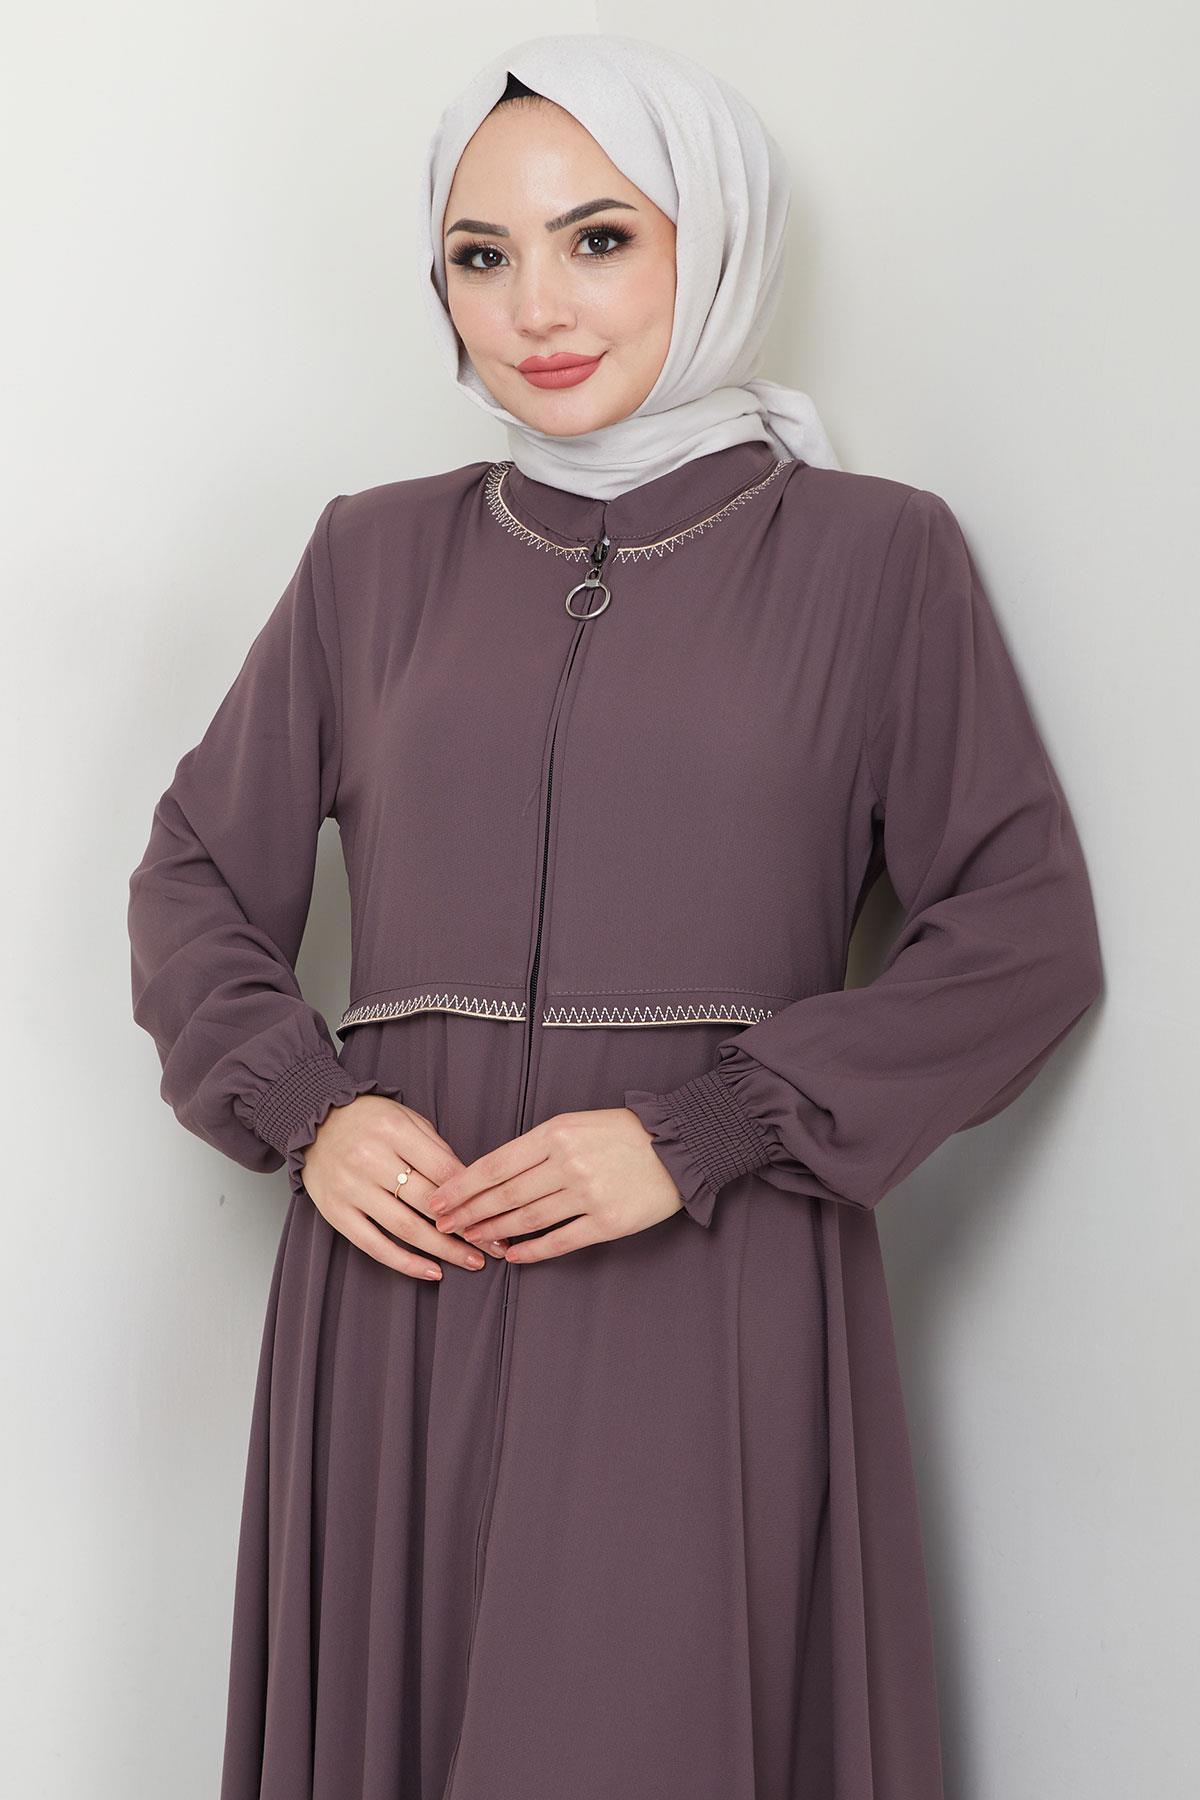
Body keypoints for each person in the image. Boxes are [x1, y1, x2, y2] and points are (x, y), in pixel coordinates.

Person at [127, 32, 1104, 1800]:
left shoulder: (876, 558)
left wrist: (709, 1130)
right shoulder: (369, 558)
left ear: (708, 243)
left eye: (599, 238)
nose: (535, 309)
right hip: (400, 1285)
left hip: (704, 1282)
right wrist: (311, 1109)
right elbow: (196, 867)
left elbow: (1022, 933)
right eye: (480, 255)